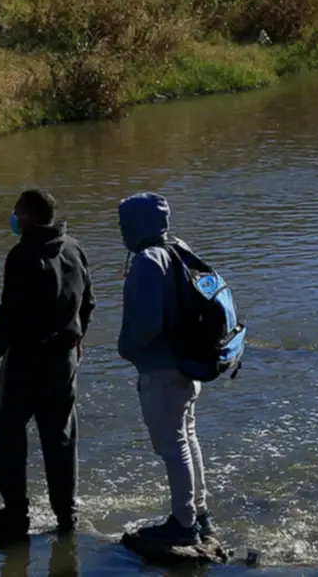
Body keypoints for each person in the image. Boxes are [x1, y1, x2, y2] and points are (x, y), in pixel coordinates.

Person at [0, 189, 94, 536]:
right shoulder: (74, 247)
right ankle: (66, 517)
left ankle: (16, 514)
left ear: (26, 216)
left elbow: (8, 316)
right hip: (64, 361)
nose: (13, 218)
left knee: (9, 436)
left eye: (16, 212)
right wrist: (79, 339)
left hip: (26, 360)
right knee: (61, 438)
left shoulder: (22, 255)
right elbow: (89, 301)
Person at [117, 192, 215, 547]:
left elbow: (146, 324)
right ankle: (200, 515)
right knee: (187, 441)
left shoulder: (146, 260)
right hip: (187, 364)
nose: (121, 230)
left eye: (123, 223)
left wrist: (124, 346)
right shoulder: (178, 248)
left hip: (161, 369)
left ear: (137, 223)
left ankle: (183, 523)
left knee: (173, 448)